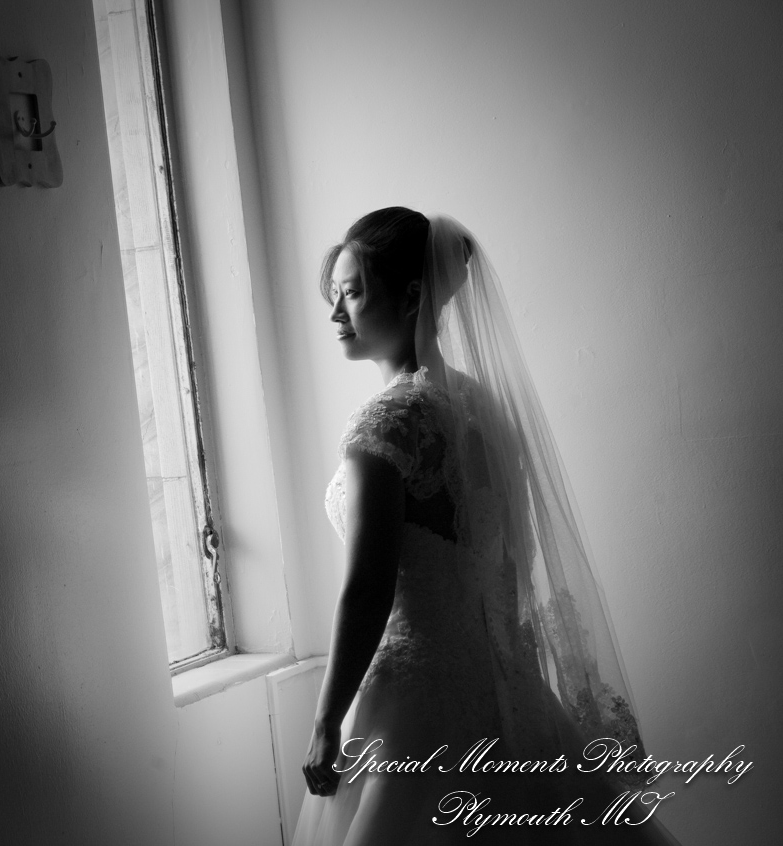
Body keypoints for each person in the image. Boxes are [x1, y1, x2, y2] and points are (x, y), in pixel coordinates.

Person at [292, 208, 682, 845]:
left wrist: (325, 721)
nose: (335, 312)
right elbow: (504, 564)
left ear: (411, 296)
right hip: (501, 688)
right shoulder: (481, 407)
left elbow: (368, 588)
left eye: (352, 293)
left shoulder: (384, 426)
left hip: (414, 704)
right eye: (333, 294)